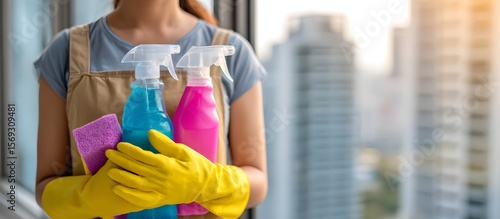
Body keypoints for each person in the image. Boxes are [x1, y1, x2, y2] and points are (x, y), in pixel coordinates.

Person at [35, 0, 267, 218]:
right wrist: (90, 195)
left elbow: (257, 182)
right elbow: (45, 185)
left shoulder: (233, 51)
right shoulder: (66, 51)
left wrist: (206, 183)